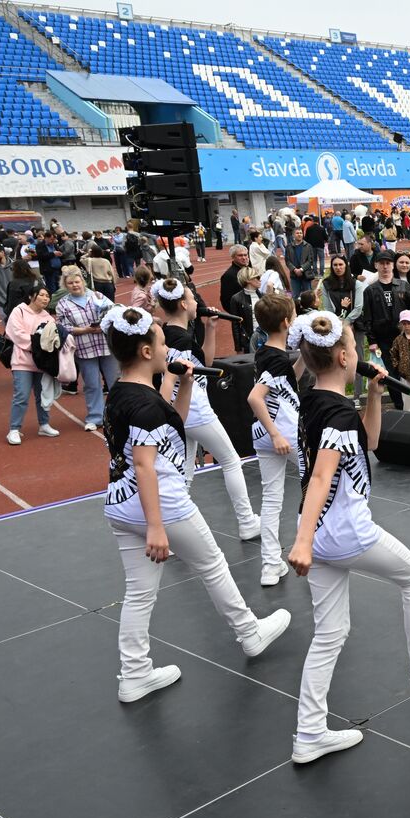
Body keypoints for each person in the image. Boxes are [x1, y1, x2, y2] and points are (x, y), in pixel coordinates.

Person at [284, 309, 410, 766]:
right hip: (344, 532)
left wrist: (375, 395)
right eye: (355, 349)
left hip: (322, 535)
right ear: (345, 356)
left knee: (330, 632)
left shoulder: (315, 402)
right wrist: (301, 542)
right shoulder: (338, 417)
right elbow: (322, 477)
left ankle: (309, 733)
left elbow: (372, 442)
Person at [100, 304, 290, 702]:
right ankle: (249, 632)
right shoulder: (144, 403)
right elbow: (145, 465)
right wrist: (156, 526)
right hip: (161, 505)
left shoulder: (123, 393)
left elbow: (173, 423)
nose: (167, 345)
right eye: (161, 340)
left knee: (139, 592)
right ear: (147, 352)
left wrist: (182, 383)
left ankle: (133, 673)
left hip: (120, 504)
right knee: (212, 563)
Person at [155, 279, 261, 540]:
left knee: (185, 471)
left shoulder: (167, 334)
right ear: (183, 304)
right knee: (230, 460)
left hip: (177, 408)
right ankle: (247, 521)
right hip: (195, 407)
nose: (196, 304)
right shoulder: (180, 338)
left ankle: (173, 528)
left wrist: (210, 328)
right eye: (193, 300)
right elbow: (207, 369)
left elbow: (205, 363)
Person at [245, 294, 302, 588]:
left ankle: (270, 564)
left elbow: (285, 380)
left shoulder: (265, 351)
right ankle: (311, 550)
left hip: (263, 435)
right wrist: (276, 433)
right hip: (284, 432)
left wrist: (303, 357)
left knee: (271, 500)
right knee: (316, 487)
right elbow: (255, 396)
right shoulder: (276, 358)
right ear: (286, 322)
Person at [54, 267, 115, 432]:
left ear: (83, 281)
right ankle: (96, 417)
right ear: (65, 285)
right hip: (84, 348)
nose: (75, 285)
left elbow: (114, 312)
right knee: (92, 384)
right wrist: (86, 330)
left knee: (115, 382)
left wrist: (103, 324)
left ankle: (119, 414)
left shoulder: (98, 296)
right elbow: (64, 328)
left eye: (77, 281)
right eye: (70, 283)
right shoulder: (63, 304)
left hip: (106, 346)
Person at [359, 250, 410, 409]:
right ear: (376, 265)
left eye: (388, 263)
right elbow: (367, 318)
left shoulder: (403, 286)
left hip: (404, 337)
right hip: (383, 340)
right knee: (390, 373)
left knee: (408, 370)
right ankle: (398, 405)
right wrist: (372, 341)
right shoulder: (370, 290)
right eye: (381, 263)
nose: (385, 267)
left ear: (392, 265)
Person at [5, 283, 57, 445]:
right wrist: (38, 344)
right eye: (41, 295)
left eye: (47, 296)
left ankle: (44, 424)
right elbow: (15, 333)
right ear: (31, 296)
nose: (45, 298)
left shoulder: (48, 317)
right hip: (22, 362)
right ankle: (14, 429)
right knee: (21, 395)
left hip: (42, 363)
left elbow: (52, 338)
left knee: (42, 395)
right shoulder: (19, 311)